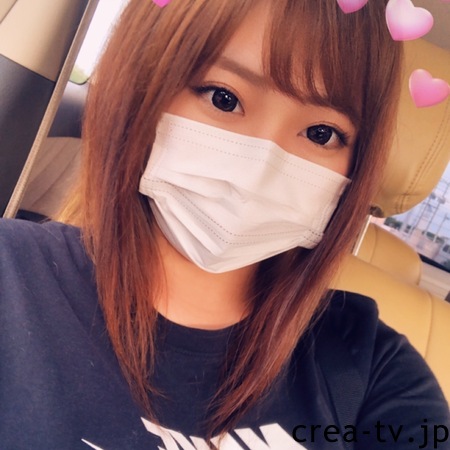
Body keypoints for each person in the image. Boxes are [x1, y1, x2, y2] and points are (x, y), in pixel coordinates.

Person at [0, 0, 449, 448]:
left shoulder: (372, 368)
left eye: (321, 133)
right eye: (224, 98)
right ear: (143, 87)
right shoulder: (12, 275)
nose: (261, 168)